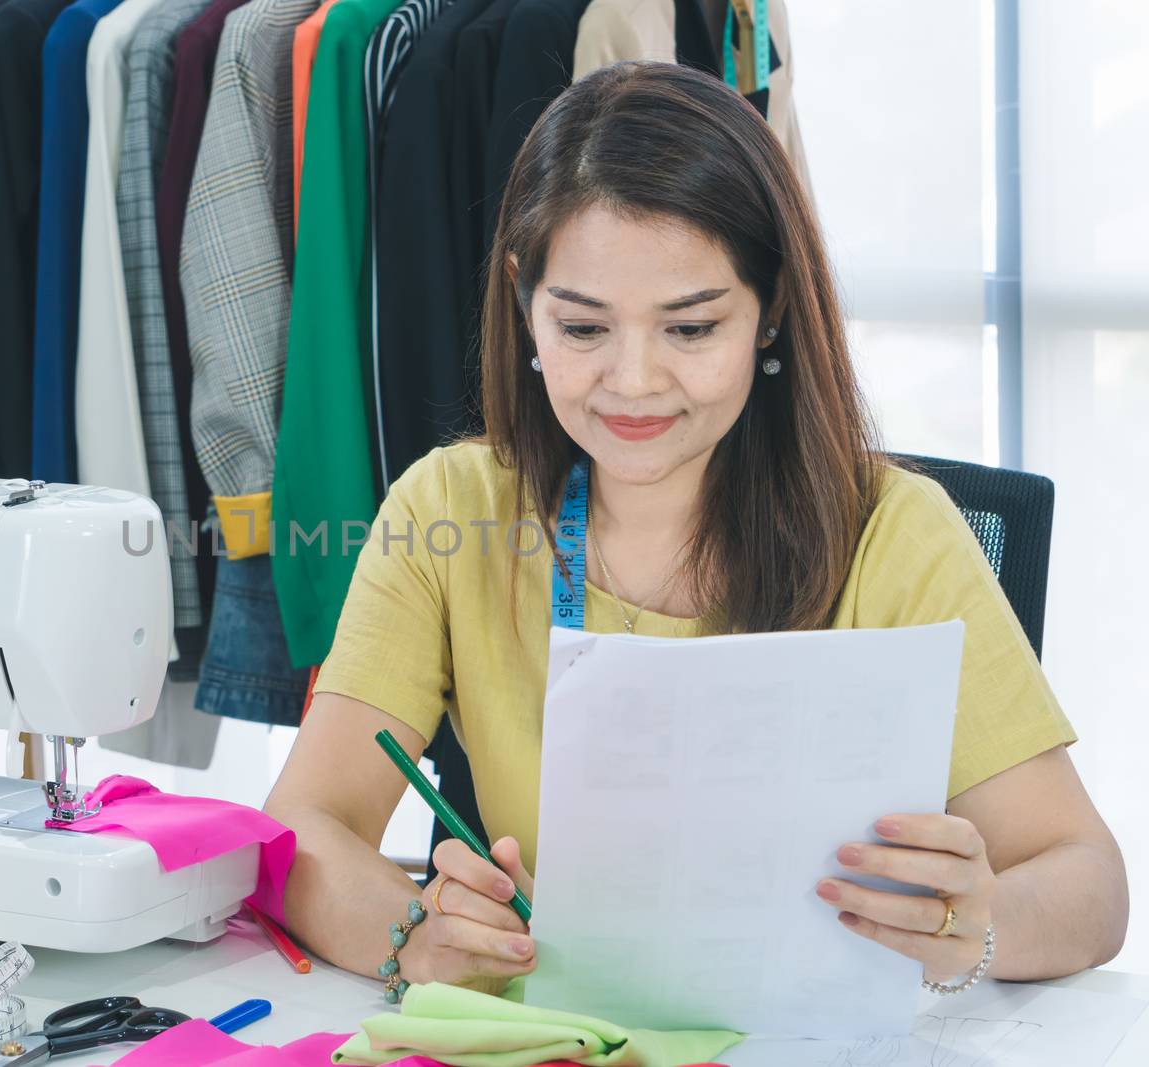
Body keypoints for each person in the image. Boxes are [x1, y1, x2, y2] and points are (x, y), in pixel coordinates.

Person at [263, 61, 1127, 999]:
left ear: (772, 313)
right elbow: (304, 824)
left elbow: (1088, 881)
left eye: (690, 328)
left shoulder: (896, 534)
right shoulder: (449, 511)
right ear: (525, 304)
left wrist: (981, 924)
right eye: (584, 329)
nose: (633, 382)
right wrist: (411, 934)